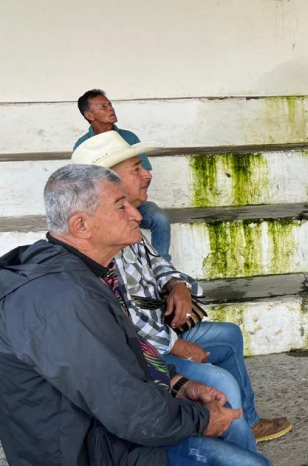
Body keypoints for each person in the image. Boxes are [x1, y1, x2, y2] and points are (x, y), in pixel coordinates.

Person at [0, 165, 308, 466]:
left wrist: (178, 383)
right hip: (88, 464)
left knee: (241, 451)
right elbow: (131, 412)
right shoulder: (64, 297)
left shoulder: (72, 270)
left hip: (99, 432)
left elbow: (116, 363)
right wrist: (203, 420)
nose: (136, 214)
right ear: (81, 225)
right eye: (121, 205)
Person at [72, 131, 295, 447]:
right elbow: (122, 323)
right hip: (143, 355)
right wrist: (176, 345)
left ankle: (249, 423)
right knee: (219, 382)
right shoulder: (98, 241)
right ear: (109, 184)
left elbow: (160, 264)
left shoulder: (128, 222)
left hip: (162, 332)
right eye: (136, 168)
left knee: (228, 335)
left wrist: (178, 285)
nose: (147, 174)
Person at [75, 89, 173, 261]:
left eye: (110, 104)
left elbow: (145, 174)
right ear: (89, 115)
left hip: (133, 202)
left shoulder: (129, 137)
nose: (110, 109)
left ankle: (162, 266)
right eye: (103, 106)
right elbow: (85, 186)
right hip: (103, 207)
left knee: (159, 218)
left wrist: (132, 203)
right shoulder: (83, 145)